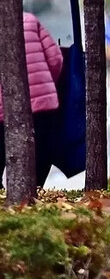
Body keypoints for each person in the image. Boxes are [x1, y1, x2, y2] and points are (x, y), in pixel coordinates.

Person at [0, 12, 64, 187]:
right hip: (42, 106)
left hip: (4, 110)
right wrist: (45, 86)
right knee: (41, 153)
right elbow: (55, 59)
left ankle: (13, 200)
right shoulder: (29, 19)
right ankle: (34, 192)